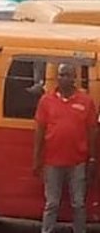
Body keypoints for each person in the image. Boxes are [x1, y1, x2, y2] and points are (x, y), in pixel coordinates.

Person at [34, 62, 97, 233]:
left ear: (74, 78)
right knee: (52, 203)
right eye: (61, 75)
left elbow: (92, 131)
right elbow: (39, 131)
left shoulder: (86, 101)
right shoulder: (46, 100)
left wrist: (92, 159)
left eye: (68, 75)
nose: (64, 78)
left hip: (77, 162)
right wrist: (37, 159)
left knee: (78, 203)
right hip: (52, 161)